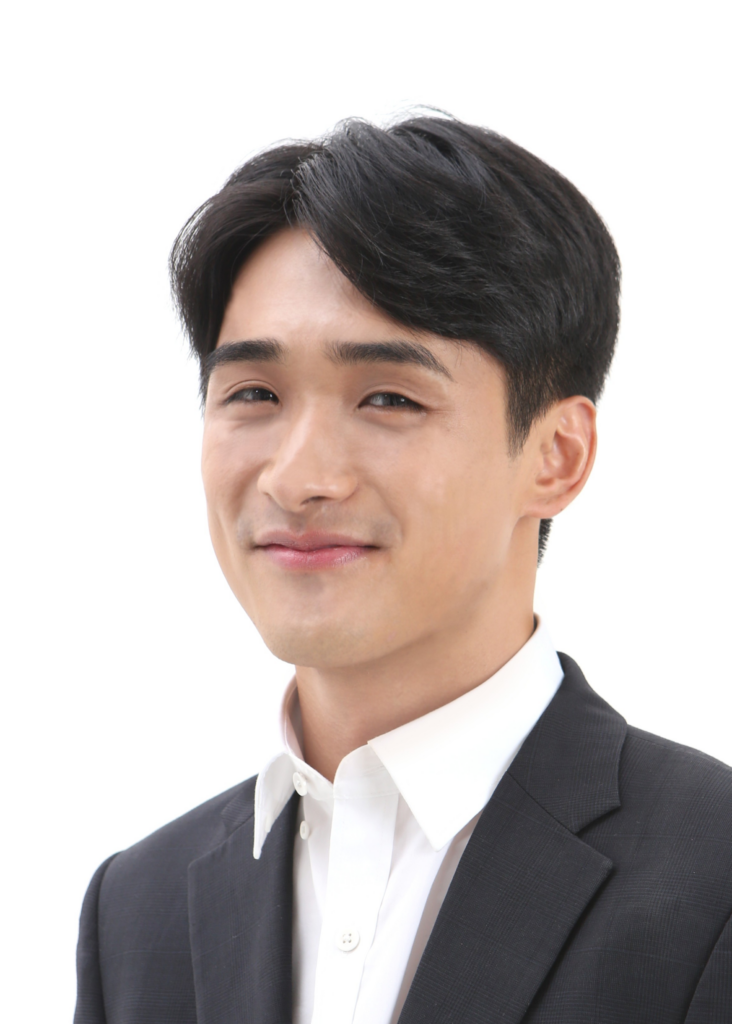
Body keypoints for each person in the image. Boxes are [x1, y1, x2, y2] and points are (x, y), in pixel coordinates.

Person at [74, 115, 732, 1024]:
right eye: (254, 393)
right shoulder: (136, 911)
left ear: (557, 455)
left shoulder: (711, 882)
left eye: (388, 398)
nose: (297, 478)